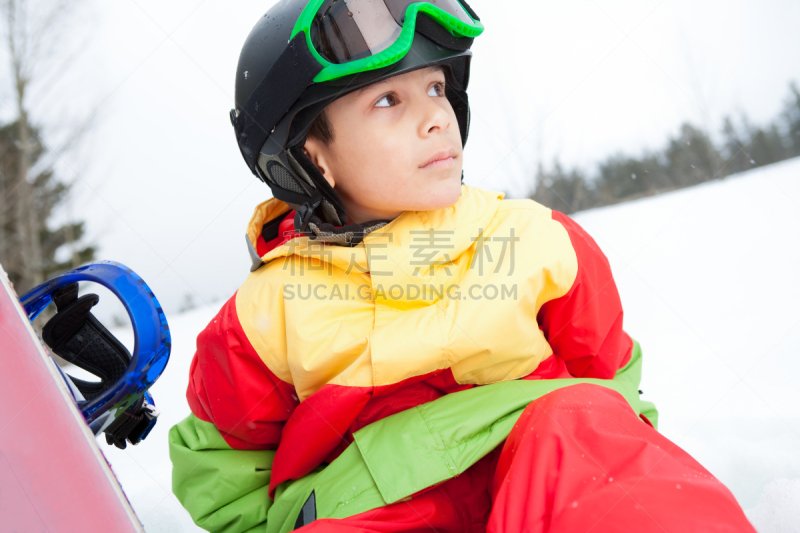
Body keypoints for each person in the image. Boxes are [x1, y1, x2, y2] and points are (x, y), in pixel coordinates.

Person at [169, 1, 756, 531]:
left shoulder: (536, 243)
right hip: (375, 510)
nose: (435, 117)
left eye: (435, 87)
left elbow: (614, 389)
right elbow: (223, 472)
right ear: (311, 156)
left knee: (583, 427)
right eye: (387, 100)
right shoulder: (266, 314)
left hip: (547, 486)